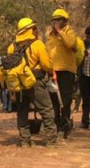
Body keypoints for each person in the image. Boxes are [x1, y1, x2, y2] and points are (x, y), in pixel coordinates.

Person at [9, 18, 58, 146]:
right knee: (47, 110)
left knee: (22, 111)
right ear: (29, 30)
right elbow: (47, 65)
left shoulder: (12, 47)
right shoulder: (37, 45)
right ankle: (52, 140)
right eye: (34, 28)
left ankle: (25, 141)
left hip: (19, 84)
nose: (36, 31)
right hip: (36, 81)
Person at [46, 8, 79, 138]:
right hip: (53, 72)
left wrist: (60, 32)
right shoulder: (50, 36)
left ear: (64, 21)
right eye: (53, 20)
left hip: (66, 71)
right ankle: (56, 125)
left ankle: (65, 125)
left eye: (57, 20)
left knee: (65, 100)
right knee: (54, 100)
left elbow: (71, 44)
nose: (55, 23)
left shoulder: (69, 32)